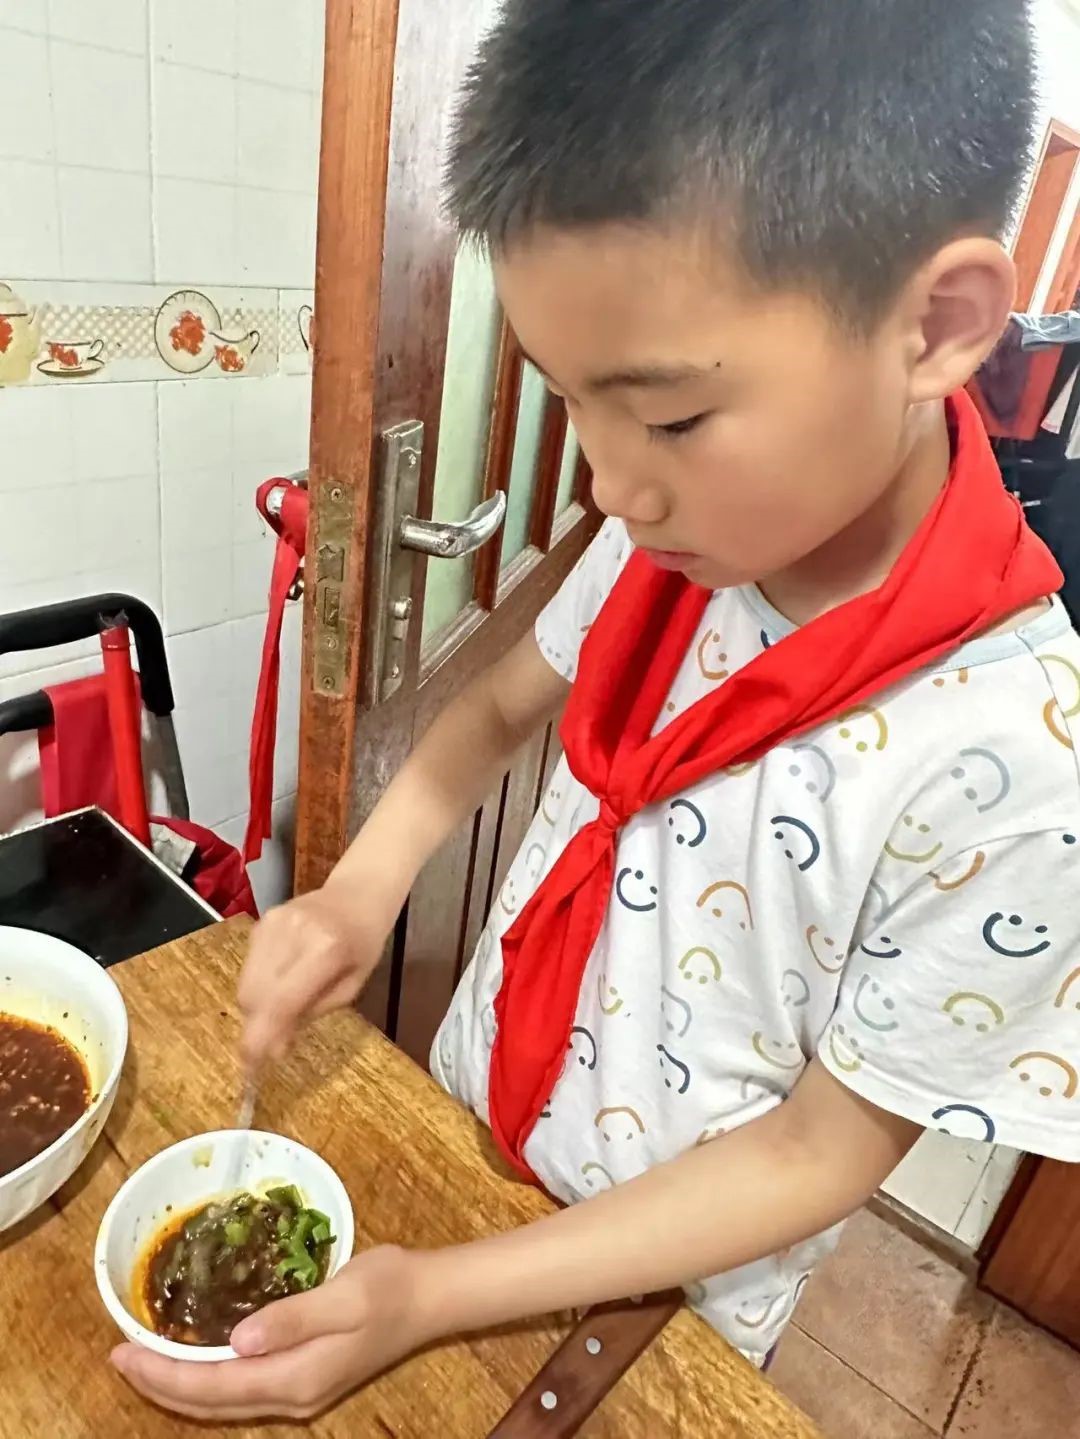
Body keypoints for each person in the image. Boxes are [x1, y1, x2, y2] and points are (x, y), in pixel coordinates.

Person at [113, 0, 1080, 1422]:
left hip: (652, 1309)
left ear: (935, 325)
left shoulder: (1020, 763)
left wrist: (432, 1298)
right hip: (468, 1133)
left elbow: (817, 1154)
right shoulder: (671, 540)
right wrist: (360, 892)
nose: (613, 486)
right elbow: (491, 717)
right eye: (573, 400)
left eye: (672, 417)